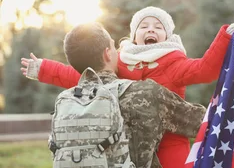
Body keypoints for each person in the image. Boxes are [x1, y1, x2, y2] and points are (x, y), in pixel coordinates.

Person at [21, 6, 234, 168]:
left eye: (158, 26)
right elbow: (76, 75)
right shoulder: (119, 61)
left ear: (168, 36)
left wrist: (227, 38)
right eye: (144, 26)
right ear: (133, 36)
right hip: (130, 145)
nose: (150, 29)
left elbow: (205, 69)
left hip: (170, 143)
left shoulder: (174, 62)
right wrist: (42, 69)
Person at [57, 22, 205, 167]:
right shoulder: (147, 93)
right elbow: (203, 123)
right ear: (108, 54)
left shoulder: (65, 103)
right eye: (114, 47)